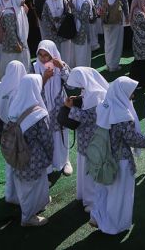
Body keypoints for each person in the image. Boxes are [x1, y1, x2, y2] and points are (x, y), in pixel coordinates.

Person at [90, 76, 145, 234]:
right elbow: (133, 139)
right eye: (131, 93)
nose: (133, 96)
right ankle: (113, 226)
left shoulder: (103, 106)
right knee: (118, 196)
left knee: (103, 191)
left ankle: (97, 217)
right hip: (120, 162)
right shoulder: (122, 115)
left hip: (102, 157)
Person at [58, 66, 108, 213]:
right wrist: (77, 100)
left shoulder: (97, 96)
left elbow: (90, 117)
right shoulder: (90, 91)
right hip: (85, 139)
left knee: (91, 172)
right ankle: (84, 195)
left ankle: (92, 201)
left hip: (93, 141)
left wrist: (70, 108)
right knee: (84, 169)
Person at [7, 74, 53, 227]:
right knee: (33, 186)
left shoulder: (14, 105)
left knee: (24, 185)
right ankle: (28, 218)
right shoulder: (39, 114)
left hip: (15, 153)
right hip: (33, 158)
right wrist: (50, 156)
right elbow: (47, 139)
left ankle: (34, 206)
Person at [33, 40, 72, 176]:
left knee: (61, 133)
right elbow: (32, 91)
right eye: (41, 55)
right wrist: (44, 79)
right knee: (46, 136)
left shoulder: (61, 65)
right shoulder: (34, 68)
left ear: (53, 55)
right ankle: (48, 165)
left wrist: (61, 68)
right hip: (43, 109)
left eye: (47, 56)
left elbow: (72, 85)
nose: (44, 59)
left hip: (59, 106)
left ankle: (65, 161)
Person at [0, 61, 25, 206]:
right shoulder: (20, 89)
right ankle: (19, 196)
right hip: (18, 129)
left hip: (4, 127)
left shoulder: (0, 86)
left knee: (9, 162)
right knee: (19, 162)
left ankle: (10, 194)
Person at [99, 0, 129, 72]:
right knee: (116, 42)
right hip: (117, 19)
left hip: (106, 19)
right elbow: (125, 5)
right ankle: (114, 65)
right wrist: (127, 17)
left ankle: (108, 64)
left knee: (108, 41)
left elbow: (99, 4)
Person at [0, 0, 31, 74]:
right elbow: (10, 30)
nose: (23, 1)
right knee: (11, 67)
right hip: (12, 45)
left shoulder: (19, 9)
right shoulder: (8, 13)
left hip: (22, 43)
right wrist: (16, 44)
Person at [66, 0, 94, 68]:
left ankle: (83, 70)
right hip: (76, 32)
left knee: (82, 53)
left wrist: (73, 8)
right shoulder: (77, 0)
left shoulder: (85, 3)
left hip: (83, 33)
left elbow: (82, 17)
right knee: (77, 53)